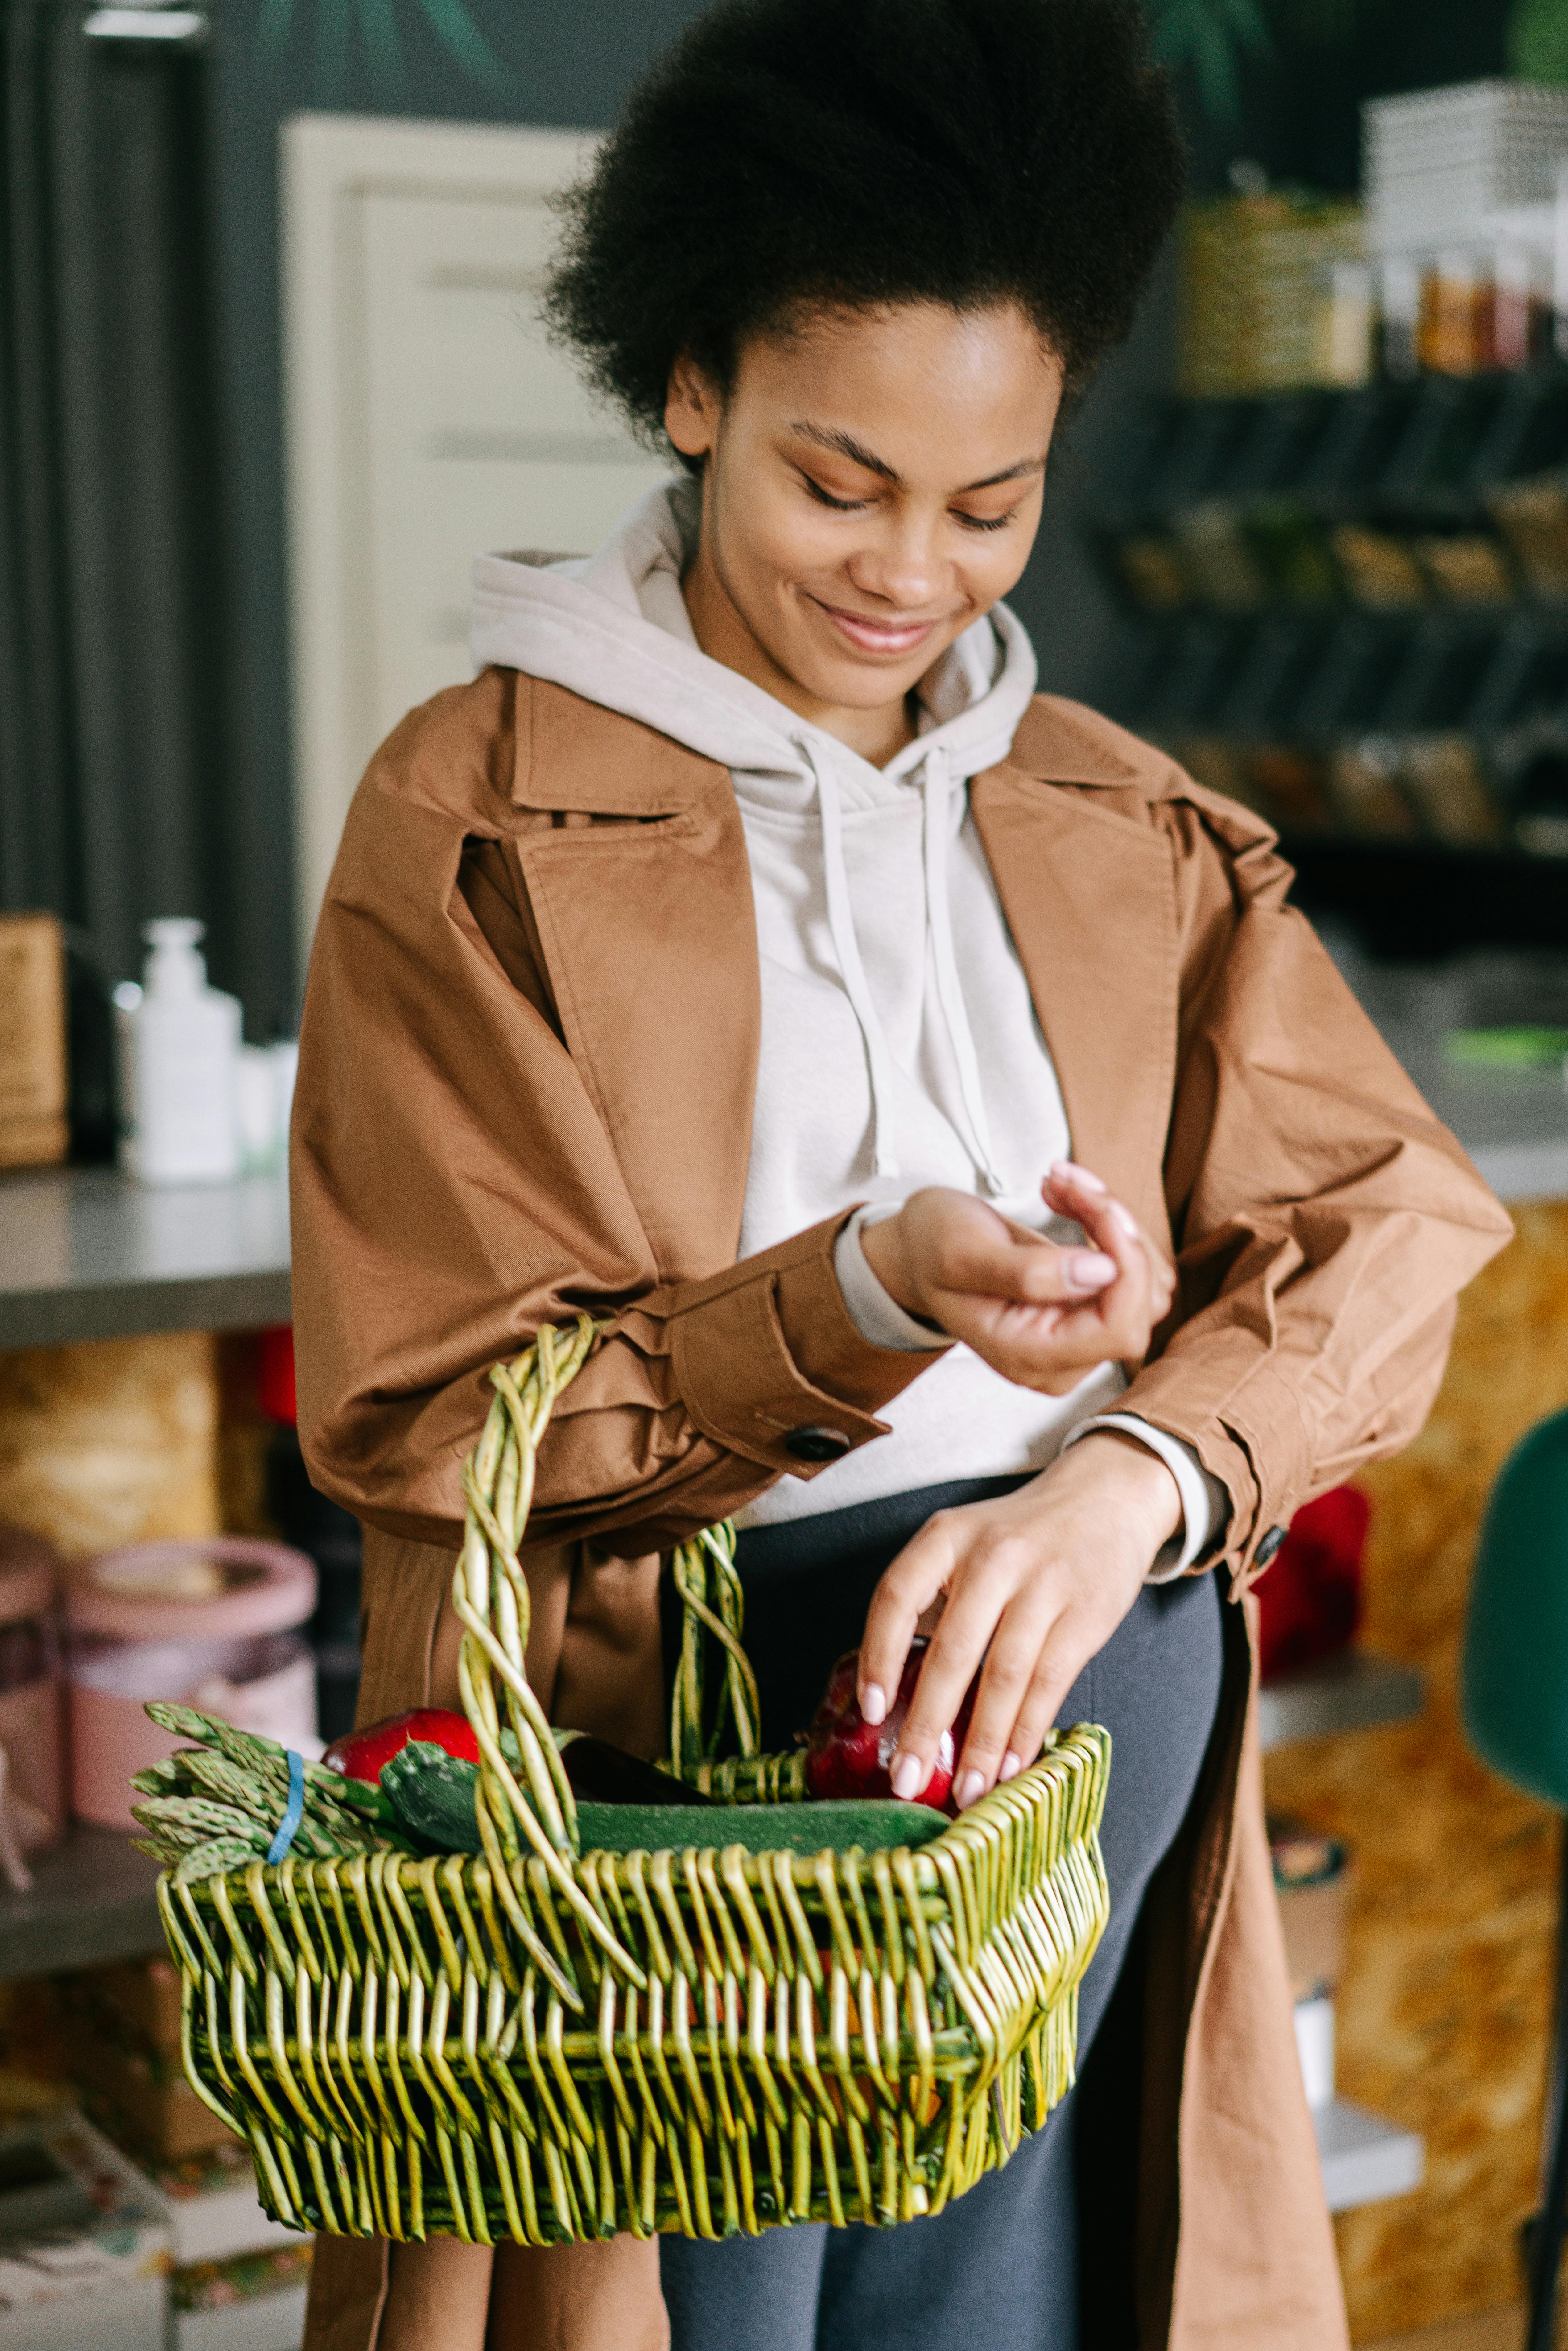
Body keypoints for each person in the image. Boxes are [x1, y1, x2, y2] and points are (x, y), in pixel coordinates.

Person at [291, 2, 1512, 2347]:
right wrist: (860, 1289)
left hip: (1091, 1718)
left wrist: (1138, 1470)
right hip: (684, 1807)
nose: (911, 574)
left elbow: (1394, 1218)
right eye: (840, 482)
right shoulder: (471, 811)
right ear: (689, 387)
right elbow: (439, 1413)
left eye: (992, 500)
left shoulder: (1123, 815)